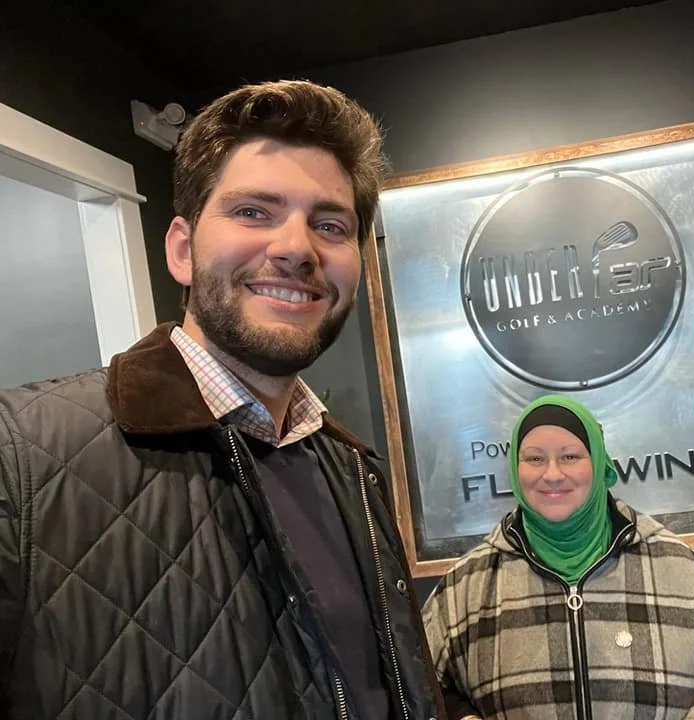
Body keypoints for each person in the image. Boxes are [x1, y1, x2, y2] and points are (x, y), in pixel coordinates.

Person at [0, 80, 444, 720]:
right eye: (253, 212)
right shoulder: (22, 458)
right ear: (182, 248)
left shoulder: (354, 469)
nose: (296, 247)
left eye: (329, 224)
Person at [422, 394, 694, 719]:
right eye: (534, 458)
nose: (552, 474)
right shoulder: (468, 585)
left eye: (570, 456)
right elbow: (414, 682)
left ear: (598, 465)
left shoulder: (672, 563)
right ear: (515, 471)